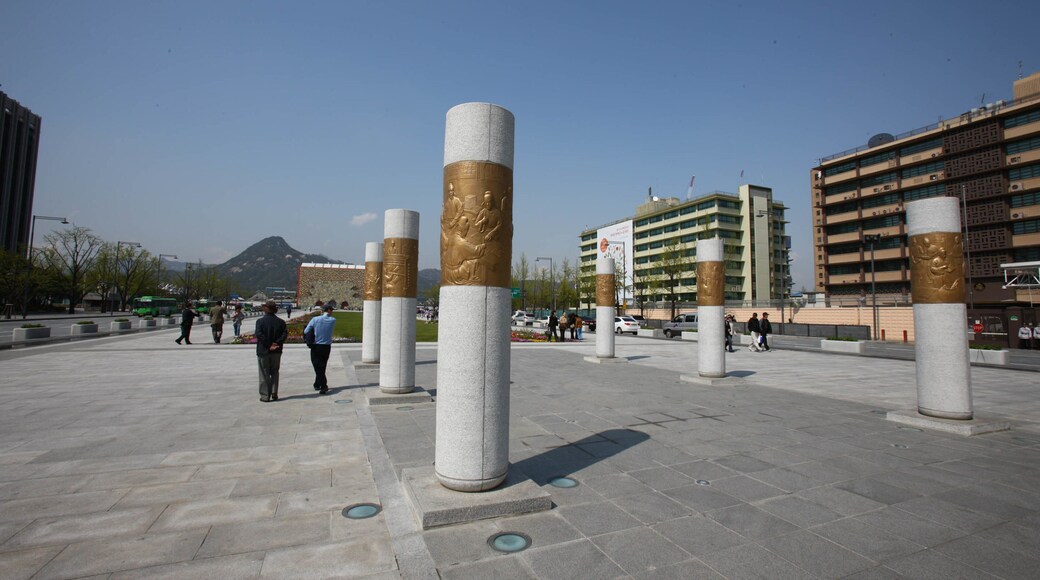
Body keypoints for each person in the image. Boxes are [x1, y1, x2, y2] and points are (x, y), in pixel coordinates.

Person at [255, 299, 287, 402]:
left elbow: (259, 334)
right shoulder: (281, 322)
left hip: (263, 350)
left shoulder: (260, 321)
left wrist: (269, 345)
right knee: (275, 372)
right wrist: (276, 343)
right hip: (276, 351)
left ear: (266, 309)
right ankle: (274, 392)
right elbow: (284, 334)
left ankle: (265, 395)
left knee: (264, 373)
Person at [304, 303, 337, 394]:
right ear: (329, 310)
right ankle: (317, 383)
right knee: (322, 365)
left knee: (317, 365)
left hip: (316, 345)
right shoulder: (333, 320)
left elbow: (306, 331)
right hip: (326, 346)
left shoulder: (315, 319)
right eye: (332, 310)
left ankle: (323, 385)